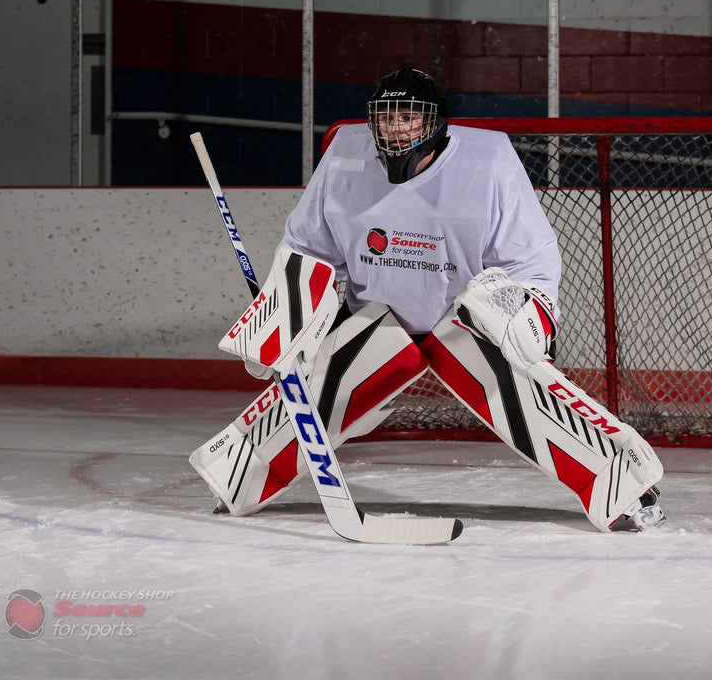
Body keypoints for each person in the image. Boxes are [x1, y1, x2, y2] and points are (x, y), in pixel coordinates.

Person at [192, 66, 665, 532]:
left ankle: (626, 486)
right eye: (387, 117)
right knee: (317, 389)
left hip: (464, 322)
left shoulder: (487, 158)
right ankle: (237, 475)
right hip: (379, 317)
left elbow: (532, 258)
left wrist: (528, 315)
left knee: (520, 385)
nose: (395, 129)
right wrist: (281, 316)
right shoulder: (345, 155)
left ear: (435, 122)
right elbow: (306, 249)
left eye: (408, 118)